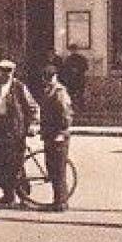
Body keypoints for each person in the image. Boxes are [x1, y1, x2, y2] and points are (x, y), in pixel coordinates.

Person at [0, 58, 40, 207]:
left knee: (16, 164)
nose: (6, 74)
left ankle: (23, 196)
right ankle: (7, 194)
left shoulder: (19, 87)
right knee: (0, 163)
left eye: (9, 71)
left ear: (13, 73)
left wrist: (33, 124)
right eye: (3, 71)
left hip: (15, 130)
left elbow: (33, 106)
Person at [39, 64, 75, 211]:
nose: (48, 81)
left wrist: (62, 132)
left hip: (58, 135)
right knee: (52, 169)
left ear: (55, 77)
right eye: (46, 78)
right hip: (49, 134)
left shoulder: (60, 92)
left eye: (50, 77)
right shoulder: (49, 90)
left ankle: (61, 202)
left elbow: (66, 114)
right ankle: (57, 200)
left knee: (59, 170)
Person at [61, 46, 89, 112]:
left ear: (77, 50)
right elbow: (65, 69)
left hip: (80, 78)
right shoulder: (68, 59)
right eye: (72, 50)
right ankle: (72, 107)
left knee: (80, 94)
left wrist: (78, 70)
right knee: (71, 94)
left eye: (75, 50)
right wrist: (70, 71)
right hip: (71, 79)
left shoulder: (81, 58)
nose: (73, 51)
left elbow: (86, 67)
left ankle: (81, 107)